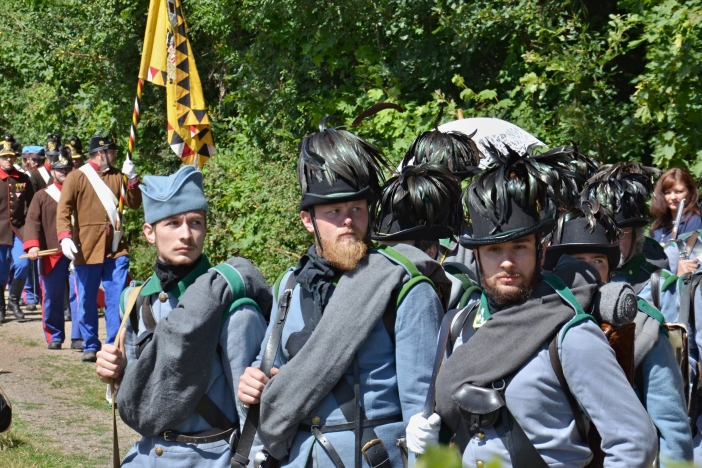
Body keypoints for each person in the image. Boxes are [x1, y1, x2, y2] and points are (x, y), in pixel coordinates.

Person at [407, 149, 657, 466]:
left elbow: (636, 442)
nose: (508, 261)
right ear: (477, 256)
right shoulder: (458, 326)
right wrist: (430, 438)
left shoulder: (570, 335)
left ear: (540, 250)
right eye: (494, 249)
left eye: (520, 247)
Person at [237, 117, 449, 468]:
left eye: (357, 209)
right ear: (309, 220)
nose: (348, 220)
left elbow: (422, 410)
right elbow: (273, 371)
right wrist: (252, 382)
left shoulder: (404, 285)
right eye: (334, 211)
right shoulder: (289, 286)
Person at [96, 165, 270, 466]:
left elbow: (253, 416)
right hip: (146, 455)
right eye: (173, 223)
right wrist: (118, 373)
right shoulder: (136, 301)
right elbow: (145, 397)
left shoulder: (234, 309)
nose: (186, 234)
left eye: (195, 222)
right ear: (150, 232)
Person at [544, 205, 693, 466]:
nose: (588, 270)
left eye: (597, 261)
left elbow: (671, 424)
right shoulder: (539, 322)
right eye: (577, 261)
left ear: (610, 271)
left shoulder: (642, 326)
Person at [56, 134, 142, 362]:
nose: (115, 155)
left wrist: (132, 180)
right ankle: (90, 344)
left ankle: (113, 344)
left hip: (115, 247)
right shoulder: (76, 177)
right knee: (86, 300)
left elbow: (134, 203)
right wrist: (65, 236)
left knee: (117, 299)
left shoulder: (118, 176)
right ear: (101, 153)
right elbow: (63, 209)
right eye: (112, 152)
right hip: (87, 248)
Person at [373, 163, 467, 308]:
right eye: (382, 251)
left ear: (430, 254)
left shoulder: (462, 302)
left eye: (398, 252)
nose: (385, 261)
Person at [23, 146, 76, 349]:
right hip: (51, 252)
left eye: (67, 169)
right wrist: (33, 246)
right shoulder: (42, 196)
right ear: (52, 170)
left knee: (78, 297)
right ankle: (54, 335)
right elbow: (33, 222)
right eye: (60, 169)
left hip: (76, 252)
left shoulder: (79, 193)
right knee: (52, 296)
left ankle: (79, 337)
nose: (64, 172)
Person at [0, 134, 34, 322]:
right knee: (0, 270)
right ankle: (1, 307)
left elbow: (32, 206)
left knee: (23, 264)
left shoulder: (23, 178)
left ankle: (13, 300)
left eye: (11, 156)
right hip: (0, 232)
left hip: (19, 231)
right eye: (4, 156)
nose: (8, 159)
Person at [651, 168, 702, 245]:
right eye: (667, 192)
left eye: (679, 192)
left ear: (691, 192)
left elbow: (689, 254)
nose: (673, 197)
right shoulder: (659, 224)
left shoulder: (694, 221)